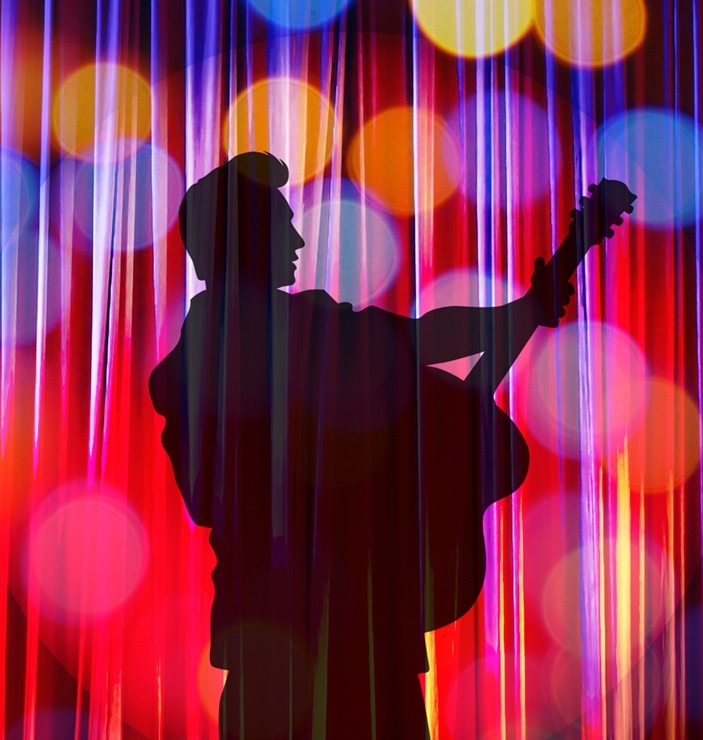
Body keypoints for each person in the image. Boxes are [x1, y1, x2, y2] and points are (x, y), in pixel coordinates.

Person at [148, 152, 572, 738]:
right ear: (242, 240)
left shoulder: (194, 367)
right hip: (329, 632)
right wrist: (522, 311)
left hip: (316, 630)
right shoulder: (290, 336)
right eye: (279, 222)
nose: (295, 237)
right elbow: (423, 340)